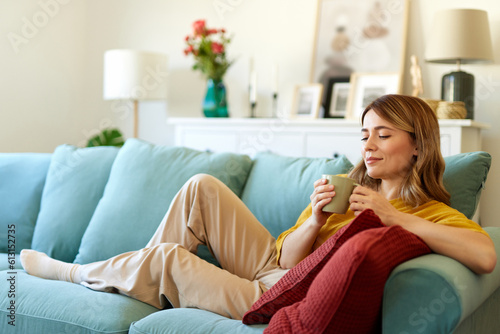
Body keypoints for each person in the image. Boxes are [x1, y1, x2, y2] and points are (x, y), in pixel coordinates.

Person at [21, 94, 496, 322]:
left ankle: (75, 274)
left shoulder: (429, 212)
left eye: (384, 135)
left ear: (418, 147)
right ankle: (138, 282)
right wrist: (313, 219)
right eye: (364, 134)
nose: (368, 145)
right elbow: (286, 258)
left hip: (279, 296)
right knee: (201, 186)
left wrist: (392, 215)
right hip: (275, 266)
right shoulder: (351, 190)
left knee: (168, 258)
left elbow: (485, 254)